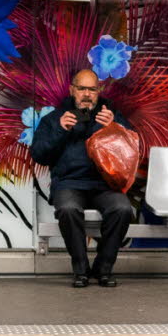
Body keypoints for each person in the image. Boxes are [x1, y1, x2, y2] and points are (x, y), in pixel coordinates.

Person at [30, 69, 137, 288]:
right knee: (68, 209)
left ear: (99, 91)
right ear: (72, 90)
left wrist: (114, 128)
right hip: (69, 184)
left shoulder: (111, 115)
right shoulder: (54, 119)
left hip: (105, 184)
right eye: (81, 89)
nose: (87, 94)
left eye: (92, 89)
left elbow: (132, 148)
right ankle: (81, 270)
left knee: (123, 209)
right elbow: (39, 154)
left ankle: (103, 268)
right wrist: (61, 129)